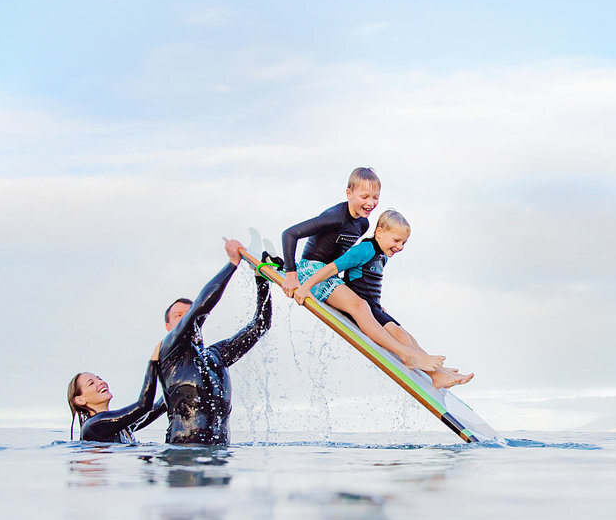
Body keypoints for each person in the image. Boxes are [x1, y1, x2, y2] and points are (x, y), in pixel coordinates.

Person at [279, 167, 443, 372]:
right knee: (360, 307)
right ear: (349, 194)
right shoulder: (334, 217)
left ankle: (426, 365)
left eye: (375, 197)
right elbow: (289, 234)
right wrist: (291, 275)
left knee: (368, 308)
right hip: (310, 271)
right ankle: (405, 354)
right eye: (364, 196)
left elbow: (346, 260)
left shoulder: (362, 224)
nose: (370, 203)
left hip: (331, 275)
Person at [294, 209, 472, 390]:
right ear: (379, 233)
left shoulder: (382, 256)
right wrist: (306, 286)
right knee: (400, 337)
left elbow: (371, 286)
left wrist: (380, 307)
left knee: (404, 334)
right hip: (361, 306)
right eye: (396, 240)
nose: (400, 246)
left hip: (374, 306)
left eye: (404, 242)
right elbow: (333, 268)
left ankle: (438, 373)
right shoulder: (364, 250)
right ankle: (420, 364)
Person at [157, 237, 272, 445]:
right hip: (184, 458)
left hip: (220, 460)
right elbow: (200, 307)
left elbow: (260, 326)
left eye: (188, 313)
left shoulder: (216, 356)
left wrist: (261, 280)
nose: (185, 318)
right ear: (168, 328)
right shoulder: (169, 354)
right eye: (178, 316)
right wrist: (232, 263)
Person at [67, 343, 165, 443]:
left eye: (99, 378)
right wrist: (153, 363)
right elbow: (143, 406)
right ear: (80, 400)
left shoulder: (118, 427)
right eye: (91, 383)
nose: (101, 382)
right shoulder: (94, 425)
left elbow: (154, 410)